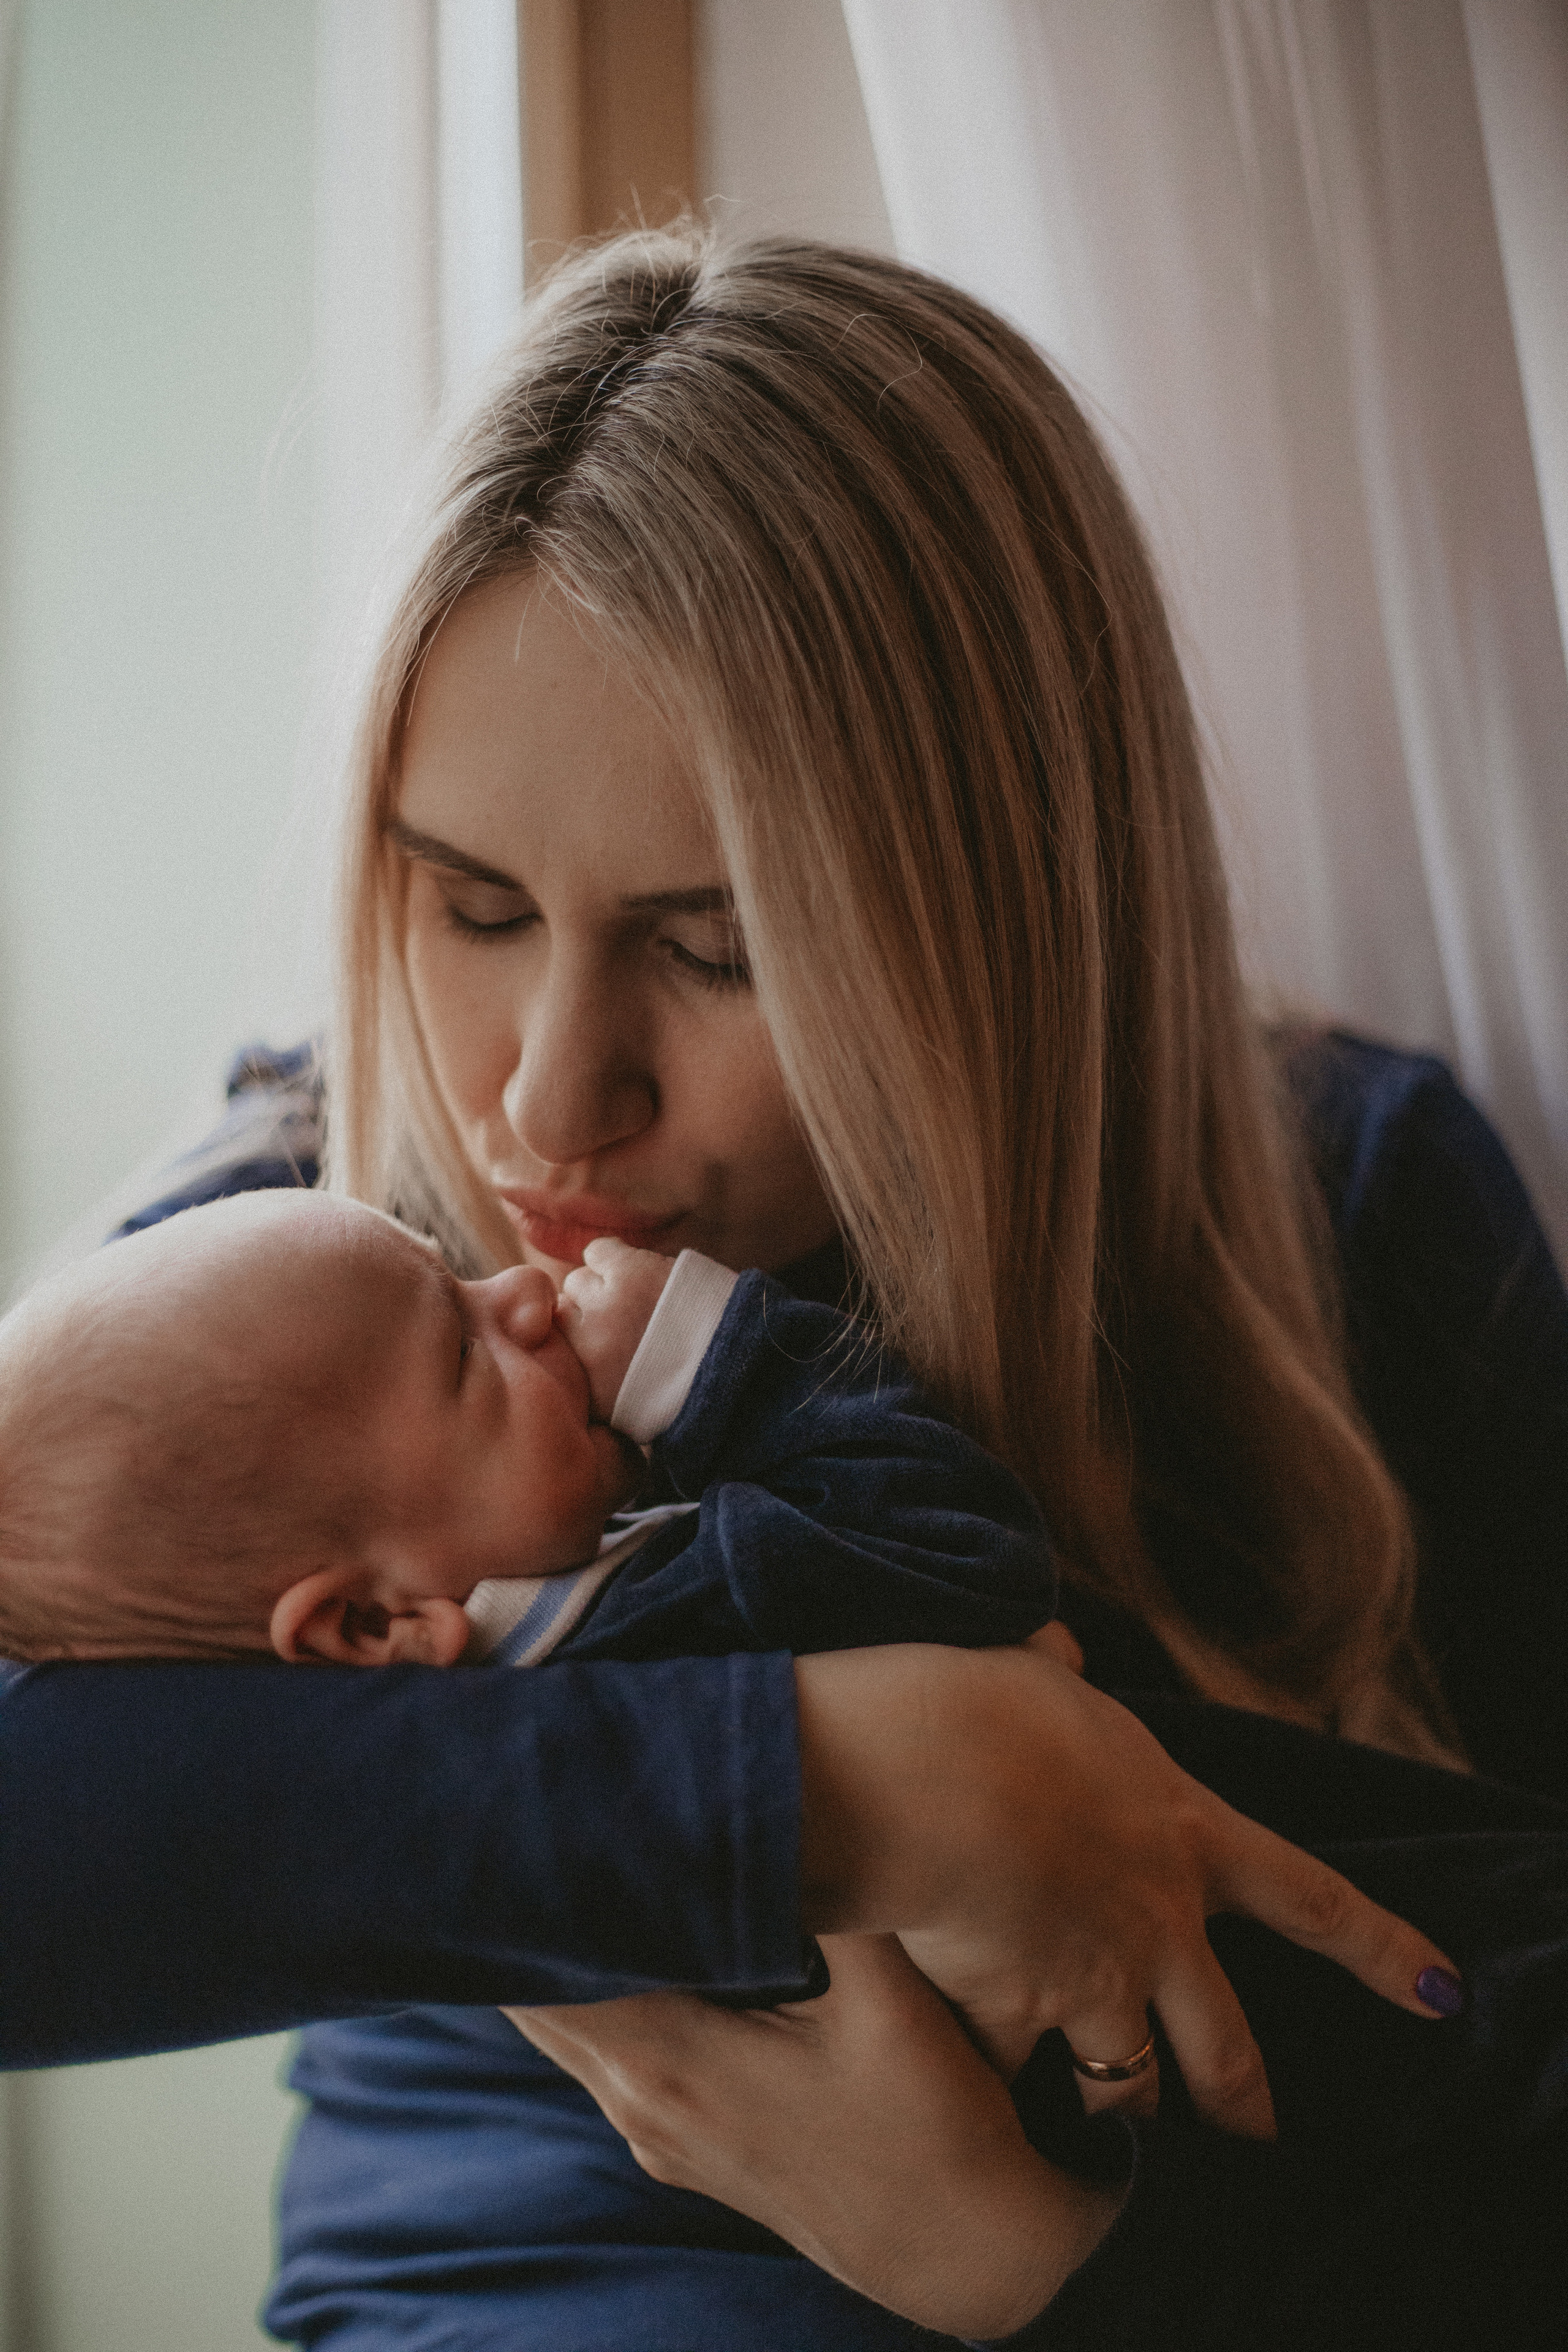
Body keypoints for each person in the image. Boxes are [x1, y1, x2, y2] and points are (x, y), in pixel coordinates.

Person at [2, 221, 1560, 2346]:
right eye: (469, 906)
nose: (546, 1102)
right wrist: (844, 1789)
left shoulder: (1350, 1219)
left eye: (718, 946)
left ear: (1003, 909)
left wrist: (1026, 2263)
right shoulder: (307, 1216)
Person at [0, 1188, 1052, 1672]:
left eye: (455, 1275)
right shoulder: (667, 1629)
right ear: (374, 1623)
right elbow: (973, 1549)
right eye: (462, 1352)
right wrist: (713, 1359)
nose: (519, 1293)